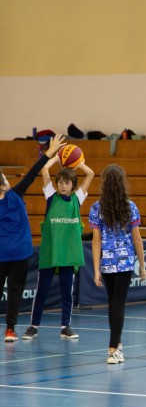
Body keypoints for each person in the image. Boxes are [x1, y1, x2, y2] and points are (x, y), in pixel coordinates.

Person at [22, 152, 94, 340]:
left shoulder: (77, 200)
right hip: (50, 252)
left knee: (66, 292)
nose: (62, 185)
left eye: (66, 182)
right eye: (60, 182)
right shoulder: (50, 197)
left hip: (68, 254)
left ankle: (65, 326)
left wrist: (78, 163)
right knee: (42, 292)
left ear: (73, 185)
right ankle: (33, 326)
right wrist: (58, 158)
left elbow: (91, 174)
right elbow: (45, 169)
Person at [1, 134, 66, 342]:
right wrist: (50, 152)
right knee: (15, 292)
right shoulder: (15, 194)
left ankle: (10, 329)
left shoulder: (13, 194)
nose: (7, 180)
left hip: (3, 254)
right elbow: (33, 172)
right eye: (4, 179)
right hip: (20, 253)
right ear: (3, 186)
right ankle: (10, 330)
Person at [88, 164, 146, 364]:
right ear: (122, 183)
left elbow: (95, 241)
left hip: (107, 263)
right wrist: (143, 264)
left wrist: (96, 268)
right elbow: (137, 239)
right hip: (125, 263)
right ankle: (113, 349)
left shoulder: (96, 207)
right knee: (118, 304)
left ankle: (117, 344)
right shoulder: (130, 207)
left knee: (112, 303)